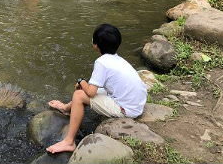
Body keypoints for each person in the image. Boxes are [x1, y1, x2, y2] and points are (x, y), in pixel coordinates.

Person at [45, 24, 147, 154]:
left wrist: (81, 81)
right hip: (135, 103)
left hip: (126, 109)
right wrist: (83, 84)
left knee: (79, 95)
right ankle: (66, 109)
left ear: (96, 44)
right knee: (84, 89)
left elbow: (91, 93)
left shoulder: (101, 62)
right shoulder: (117, 59)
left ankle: (69, 142)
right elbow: (96, 87)